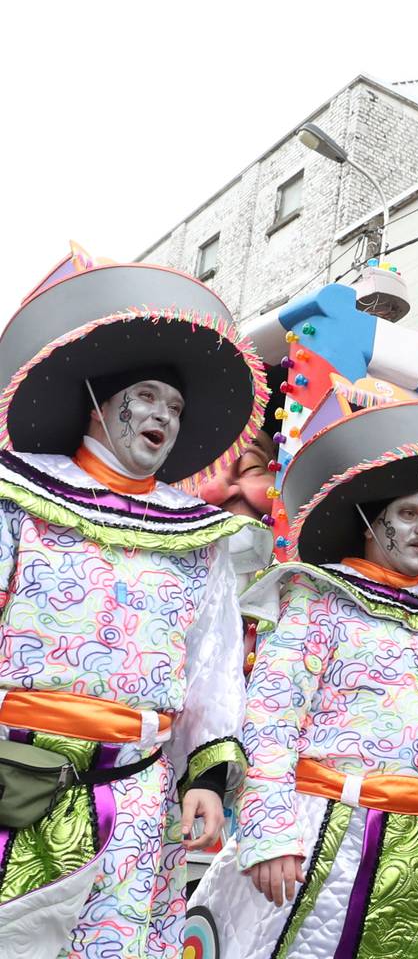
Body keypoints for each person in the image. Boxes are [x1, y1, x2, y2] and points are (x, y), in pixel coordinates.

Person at [0, 252, 269, 956]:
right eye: (147, 397)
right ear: (97, 399)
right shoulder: (18, 495)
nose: (163, 417)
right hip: (14, 776)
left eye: (176, 408)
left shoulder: (196, 532)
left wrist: (205, 776)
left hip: (139, 795)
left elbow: (212, 663)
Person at [189, 398, 418, 959]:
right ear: (370, 522)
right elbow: (271, 718)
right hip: (327, 836)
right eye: (409, 514)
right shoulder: (318, 599)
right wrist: (270, 836)